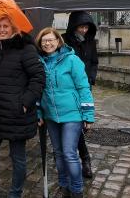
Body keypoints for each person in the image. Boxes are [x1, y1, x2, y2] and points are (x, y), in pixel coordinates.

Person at [0, 15, 45, 198]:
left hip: (16, 113)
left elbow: (39, 78)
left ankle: (15, 193)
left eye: (6, 27)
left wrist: (26, 103)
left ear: (13, 29)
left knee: (17, 157)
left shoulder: (25, 49)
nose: (2, 30)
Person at [36, 28, 95, 198]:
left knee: (69, 153)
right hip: (51, 116)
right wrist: (39, 112)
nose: (47, 43)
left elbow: (84, 87)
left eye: (50, 40)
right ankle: (64, 186)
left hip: (72, 114)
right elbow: (38, 91)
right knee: (58, 153)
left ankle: (77, 190)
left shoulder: (72, 60)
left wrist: (88, 114)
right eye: (43, 41)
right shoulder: (40, 63)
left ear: (58, 41)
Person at [62, 11, 98, 179]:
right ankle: (84, 159)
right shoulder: (63, 40)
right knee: (76, 126)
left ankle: (84, 159)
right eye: (81, 27)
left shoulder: (91, 42)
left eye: (86, 27)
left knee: (81, 126)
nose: (83, 30)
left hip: (84, 87)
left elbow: (94, 62)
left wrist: (91, 78)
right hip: (69, 89)